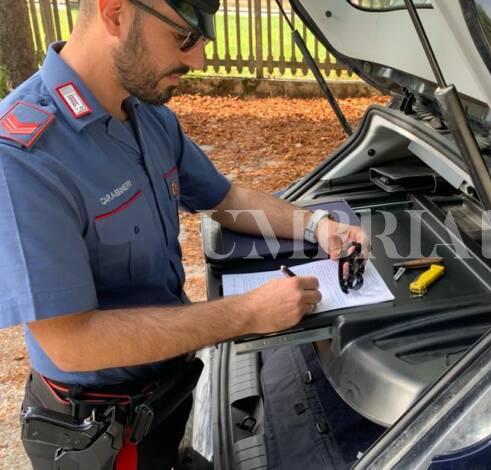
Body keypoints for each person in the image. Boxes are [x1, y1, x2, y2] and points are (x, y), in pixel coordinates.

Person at [0, 0, 367, 467]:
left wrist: (317, 225)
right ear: (114, 13)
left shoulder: (147, 115)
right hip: (103, 435)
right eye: (184, 37)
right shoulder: (23, 156)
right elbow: (72, 343)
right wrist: (246, 313)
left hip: (166, 392)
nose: (198, 60)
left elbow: (226, 198)